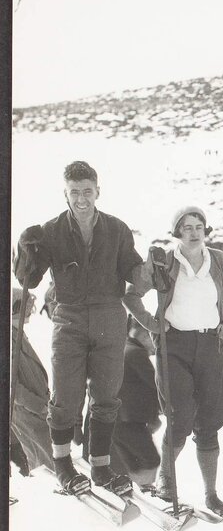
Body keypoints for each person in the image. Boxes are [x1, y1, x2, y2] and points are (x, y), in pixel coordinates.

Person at [14, 161, 145, 495]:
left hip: (109, 318)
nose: (82, 199)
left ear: (97, 191)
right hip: (69, 319)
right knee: (65, 398)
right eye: (75, 192)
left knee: (106, 396)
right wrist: (26, 252)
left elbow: (133, 270)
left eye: (88, 191)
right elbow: (28, 279)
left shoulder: (117, 229)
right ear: (66, 194)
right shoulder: (52, 231)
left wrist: (152, 271)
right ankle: (63, 466)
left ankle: (101, 469)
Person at [124, 206, 223, 515]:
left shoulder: (218, 260)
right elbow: (131, 295)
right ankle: (167, 482)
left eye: (199, 226)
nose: (194, 232)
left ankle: (211, 494)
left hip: (209, 345)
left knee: (210, 420)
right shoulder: (164, 260)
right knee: (179, 415)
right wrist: (153, 325)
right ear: (177, 231)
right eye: (187, 227)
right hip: (174, 346)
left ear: (205, 230)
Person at [109, 317, 162, 485]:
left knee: (132, 463)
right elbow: (156, 385)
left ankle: (139, 490)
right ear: (142, 333)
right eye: (152, 336)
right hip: (128, 421)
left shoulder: (124, 347)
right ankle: (144, 490)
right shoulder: (136, 352)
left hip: (117, 420)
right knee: (151, 460)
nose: (154, 343)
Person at [9, 288, 55, 476]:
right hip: (27, 412)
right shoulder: (9, 338)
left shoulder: (16, 333)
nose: (31, 310)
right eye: (27, 305)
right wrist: (38, 406)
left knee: (45, 461)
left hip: (33, 411)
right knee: (45, 465)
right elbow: (12, 388)